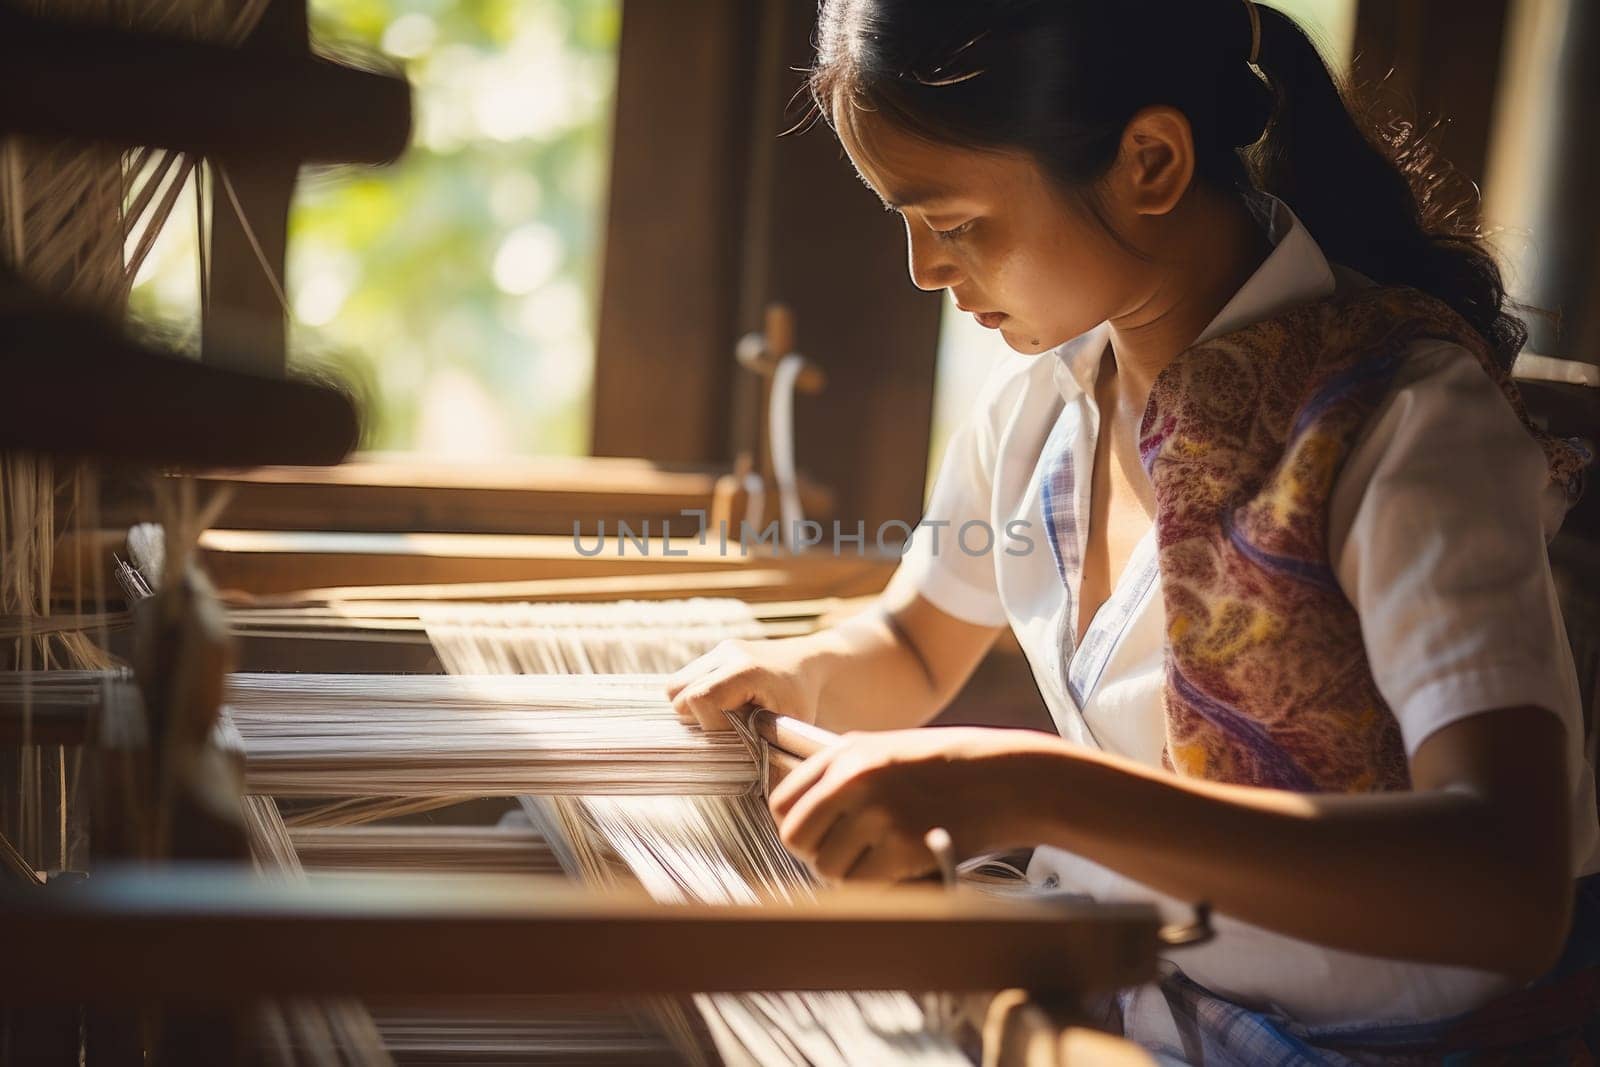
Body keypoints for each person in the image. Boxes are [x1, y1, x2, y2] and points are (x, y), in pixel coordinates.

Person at [666, 1, 1599, 1059]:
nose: (923, 269)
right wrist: (797, 675)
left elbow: (1507, 889)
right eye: (903, 219)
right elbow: (914, 639)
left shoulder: (1400, 427)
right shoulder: (1036, 419)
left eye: (956, 221)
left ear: (1149, 162)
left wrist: (1036, 788)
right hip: (1111, 993)